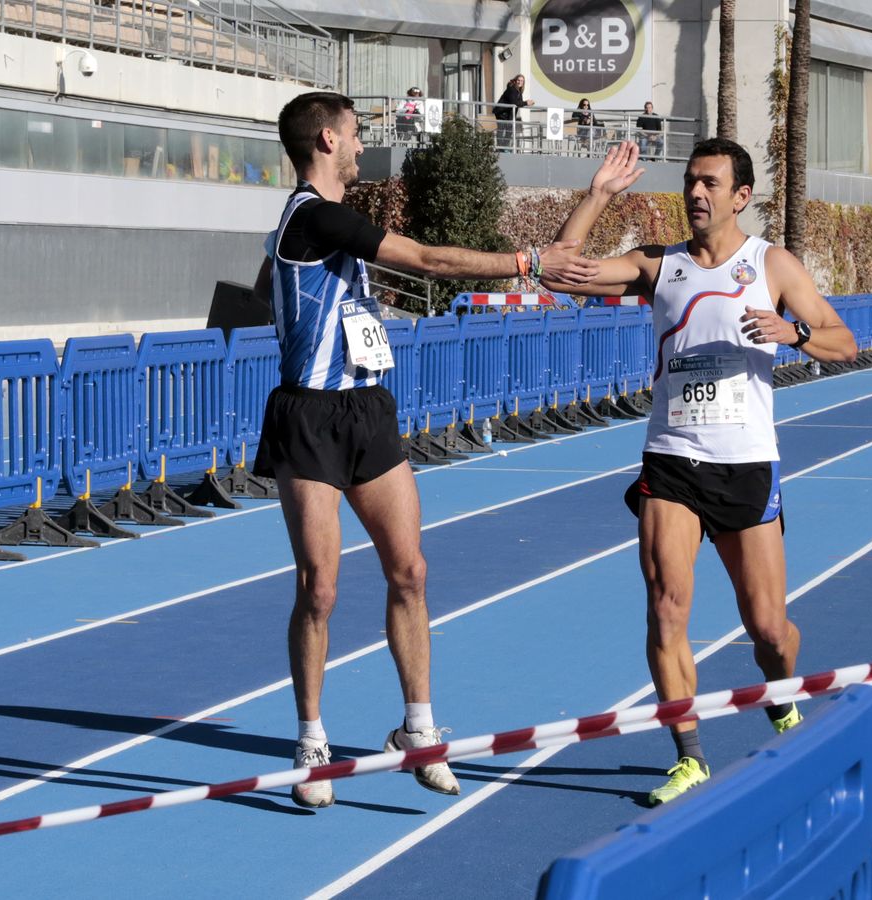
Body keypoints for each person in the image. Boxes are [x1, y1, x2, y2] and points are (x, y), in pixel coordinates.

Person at [251, 91, 598, 809]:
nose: (360, 146)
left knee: (410, 570)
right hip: (310, 418)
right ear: (325, 140)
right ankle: (312, 737)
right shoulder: (311, 216)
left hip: (367, 410)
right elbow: (427, 259)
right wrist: (527, 259)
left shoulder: (336, 222)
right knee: (320, 587)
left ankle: (418, 729)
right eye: (354, 136)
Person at [540, 139, 857, 806]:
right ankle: (688, 758)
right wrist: (598, 193)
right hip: (672, 458)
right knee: (665, 610)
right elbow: (556, 275)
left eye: (710, 183)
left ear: (740, 196)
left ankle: (782, 697)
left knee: (769, 630)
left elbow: (844, 341)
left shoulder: (770, 263)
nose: (696, 194)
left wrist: (791, 333)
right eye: (690, 183)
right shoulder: (660, 266)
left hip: (745, 464)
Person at [494, 74, 532, 149]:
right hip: (501, 113)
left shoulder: (519, 92)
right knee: (501, 131)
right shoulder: (511, 89)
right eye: (518, 80)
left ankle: (503, 147)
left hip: (509, 115)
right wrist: (526, 103)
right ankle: (500, 148)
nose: (520, 82)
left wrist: (526, 103)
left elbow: (519, 103)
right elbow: (514, 102)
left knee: (509, 131)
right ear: (515, 81)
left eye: (522, 81)